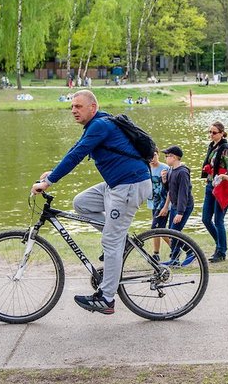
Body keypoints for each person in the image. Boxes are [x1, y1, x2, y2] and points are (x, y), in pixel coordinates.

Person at [31, 90, 152, 315]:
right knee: (82, 203)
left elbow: (77, 156)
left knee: (111, 242)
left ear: (92, 108)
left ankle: (106, 299)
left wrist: (48, 182)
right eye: (72, 107)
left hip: (129, 185)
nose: (74, 111)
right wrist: (53, 173)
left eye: (78, 106)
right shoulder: (95, 125)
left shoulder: (100, 125)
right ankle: (120, 239)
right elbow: (75, 149)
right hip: (116, 184)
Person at [200, 121, 228, 262]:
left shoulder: (225, 148)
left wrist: (220, 177)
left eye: (214, 132)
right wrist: (209, 173)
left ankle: (221, 251)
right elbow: (211, 165)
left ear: (222, 133)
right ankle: (220, 244)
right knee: (205, 218)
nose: (211, 135)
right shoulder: (212, 147)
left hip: (221, 188)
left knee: (218, 220)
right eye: (210, 132)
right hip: (210, 186)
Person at [158, 146, 194, 265]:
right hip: (174, 205)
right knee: (172, 232)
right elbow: (170, 190)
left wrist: (180, 212)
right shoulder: (170, 171)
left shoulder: (183, 172)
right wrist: (164, 182)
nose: (165, 158)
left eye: (167, 156)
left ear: (173, 157)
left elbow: (183, 193)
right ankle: (175, 259)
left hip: (184, 206)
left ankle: (190, 252)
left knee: (174, 231)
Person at [147, 150, 169, 261]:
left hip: (164, 203)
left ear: (158, 155)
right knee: (158, 228)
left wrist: (166, 206)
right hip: (153, 203)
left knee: (156, 228)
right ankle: (156, 253)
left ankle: (177, 248)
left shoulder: (165, 168)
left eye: (154, 155)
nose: (152, 158)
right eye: (150, 156)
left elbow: (170, 188)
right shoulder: (146, 169)